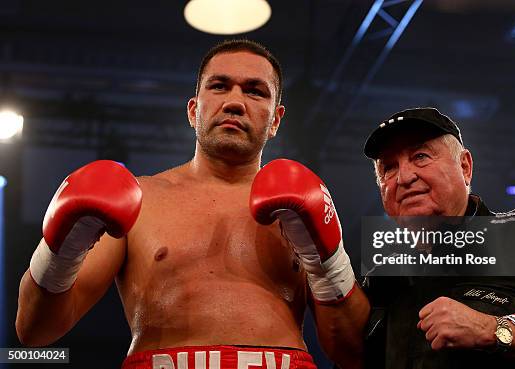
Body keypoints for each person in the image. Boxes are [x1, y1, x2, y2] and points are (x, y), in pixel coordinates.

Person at [15, 39, 370, 369]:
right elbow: (35, 330)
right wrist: (62, 248)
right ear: (193, 110)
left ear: (275, 120)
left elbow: (353, 352)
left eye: (254, 91)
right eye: (219, 86)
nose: (234, 101)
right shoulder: (139, 199)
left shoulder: (304, 203)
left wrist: (328, 265)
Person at [360, 107, 515, 369]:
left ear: (465, 167)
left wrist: (493, 330)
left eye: (420, 156)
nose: (404, 177)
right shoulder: (381, 276)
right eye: (388, 167)